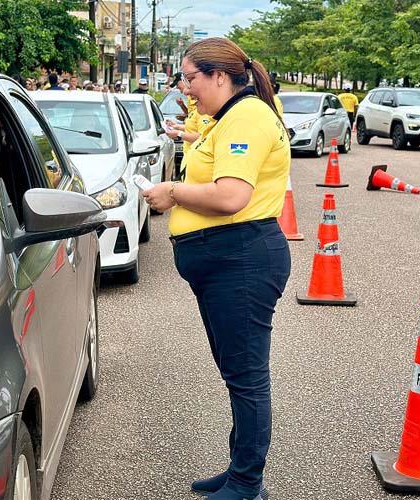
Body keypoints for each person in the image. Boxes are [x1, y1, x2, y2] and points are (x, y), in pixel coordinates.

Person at [142, 38, 291, 500]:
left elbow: (230, 197)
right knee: (237, 375)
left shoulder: (245, 116)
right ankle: (239, 469)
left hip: (241, 259)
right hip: (226, 259)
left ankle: (247, 484)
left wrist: (173, 192)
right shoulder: (227, 117)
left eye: (190, 78)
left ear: (220, 76)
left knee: (247, 378)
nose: (185, 88)